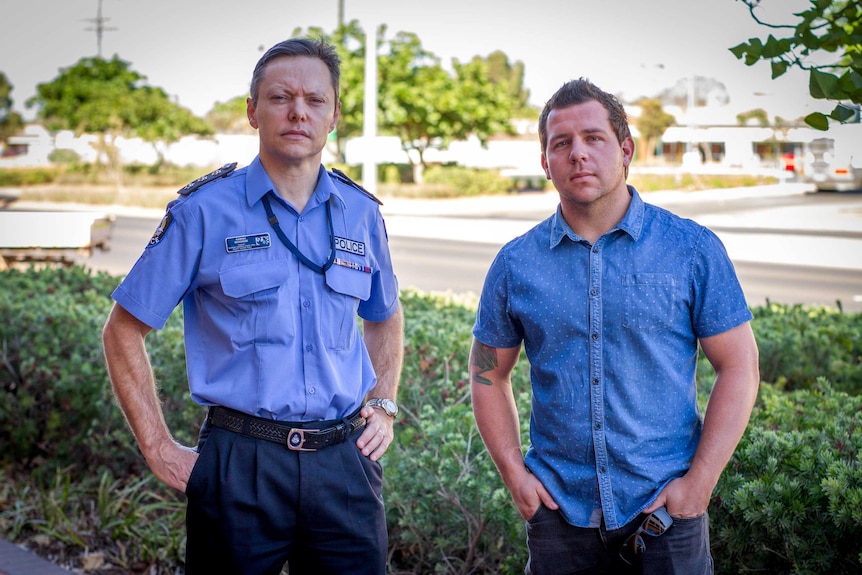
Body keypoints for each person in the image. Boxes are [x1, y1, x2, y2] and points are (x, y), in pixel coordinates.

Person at [102, 37, 403, 575]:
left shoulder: (361, 213)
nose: (297, 111)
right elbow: (123, 329)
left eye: (315, 100)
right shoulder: (203, 212)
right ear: (252, 111)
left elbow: (384, 315)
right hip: (241, 462)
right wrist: (158, 446)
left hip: (345, 463)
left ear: (334, 116)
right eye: (280, 97)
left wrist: (383, 401)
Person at [469, 78, 759, 574]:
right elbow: (485, 374)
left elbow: (739, 367)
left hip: (667, 514)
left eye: (593, 138)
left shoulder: (691, 250)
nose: (577, 154)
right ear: (545, 162)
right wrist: (515, 475)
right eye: (561, 144)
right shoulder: (516, 264)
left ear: (625, 150)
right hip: (559, 517)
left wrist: (701, 482)